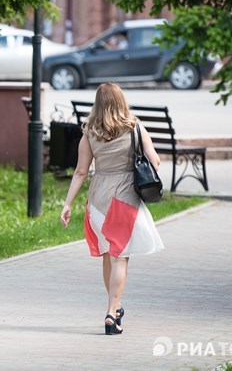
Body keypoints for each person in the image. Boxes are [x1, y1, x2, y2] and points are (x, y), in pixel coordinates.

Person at [59, 83, 164, 335]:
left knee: (108, 255)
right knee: (120, 257)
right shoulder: (135, 128)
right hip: (125, 197)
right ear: (121, 101)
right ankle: (111, 311)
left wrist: (67, 202)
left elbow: (81, 171)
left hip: (98, 200)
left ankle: (115, 309)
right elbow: (156, 161)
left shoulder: (89, 133)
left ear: (98, 104)